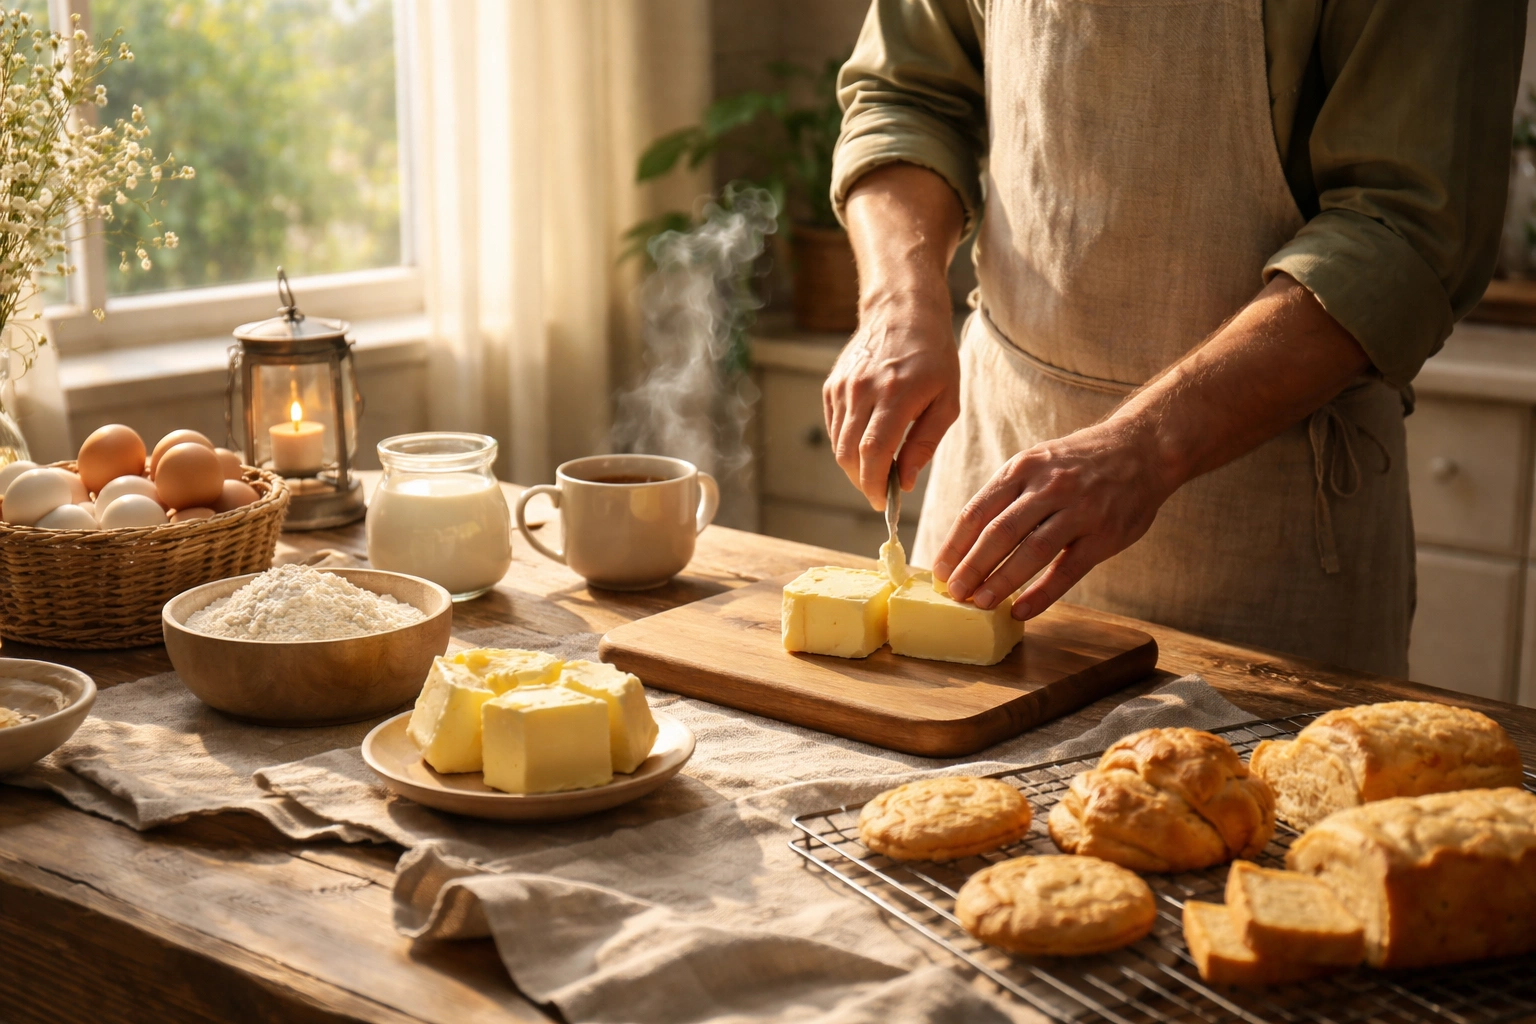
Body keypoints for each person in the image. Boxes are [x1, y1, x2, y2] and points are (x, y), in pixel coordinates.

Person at [823, 0, 1524, 676]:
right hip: (995, 468)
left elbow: (1405, 231)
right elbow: (903, 97)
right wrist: (896, 302)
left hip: (1270, 542)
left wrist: (1147, 443)